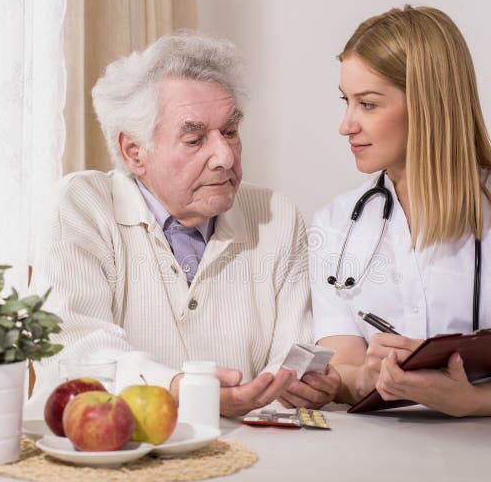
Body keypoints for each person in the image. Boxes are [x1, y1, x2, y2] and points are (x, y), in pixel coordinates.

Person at [26, 31, 341, 418]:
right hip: (105, 458)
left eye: (230, 132)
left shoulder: (275, 214)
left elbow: (295, 351)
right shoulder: (82, 205)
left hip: (243, 457)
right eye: (194, 140)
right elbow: (76, 347)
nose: (224, 156)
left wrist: (302, 386)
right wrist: (183, 390)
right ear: (134, 151)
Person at [305, 6, 491, 416]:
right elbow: (343, 365)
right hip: (382, 450)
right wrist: (365, 378)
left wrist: (468, 401)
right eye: (346, 101)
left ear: (427, 104)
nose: (346, 125)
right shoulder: (334, 224)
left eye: (367, 104)